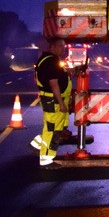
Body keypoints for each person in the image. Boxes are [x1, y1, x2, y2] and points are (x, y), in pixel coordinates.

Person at [31, 37, 71, 166]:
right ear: (52, 47)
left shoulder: (48, 60)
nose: (63, 49)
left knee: (56, 128)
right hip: (53, 101)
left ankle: (37, 144)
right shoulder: (51, 61)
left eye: (64, 46)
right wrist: (61, 103)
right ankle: (46, 159)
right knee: (52, 130)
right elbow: (53, 84)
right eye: (60, 46)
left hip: (51, 99)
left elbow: (57, 76)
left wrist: (71, 72)